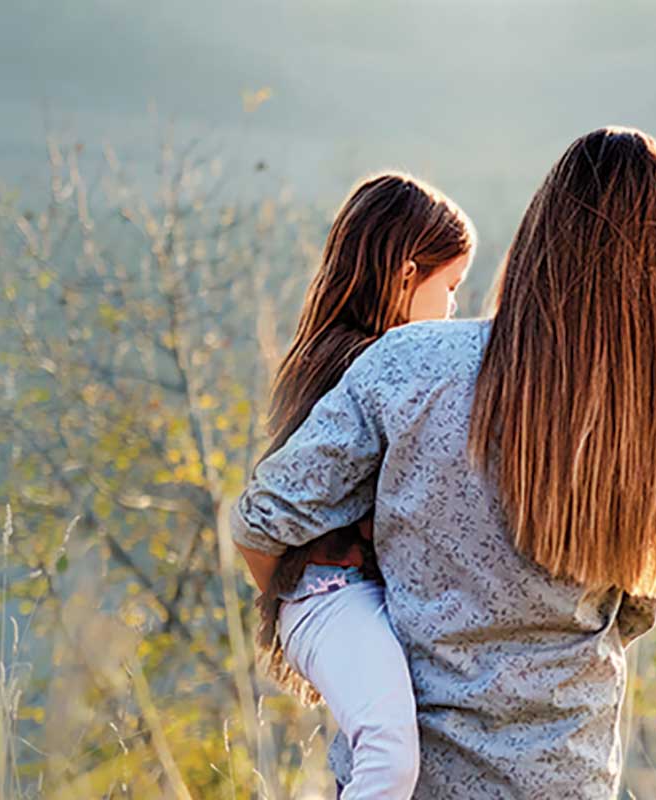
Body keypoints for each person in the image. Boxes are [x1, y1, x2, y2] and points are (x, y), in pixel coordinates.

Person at [225, 126, 656, 798]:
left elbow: (261, 524)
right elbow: (633, 611)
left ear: (541, 238)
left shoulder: (410, 367)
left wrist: (325, 642)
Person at [235, 171, 474, 800]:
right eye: (449, 287)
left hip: (342, 593)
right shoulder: (363, 369)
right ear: (404, 275)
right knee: (389, 758)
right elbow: (268, 519)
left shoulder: (345, 355)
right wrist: (298, 597)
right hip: (330, 590)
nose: (454, 309)